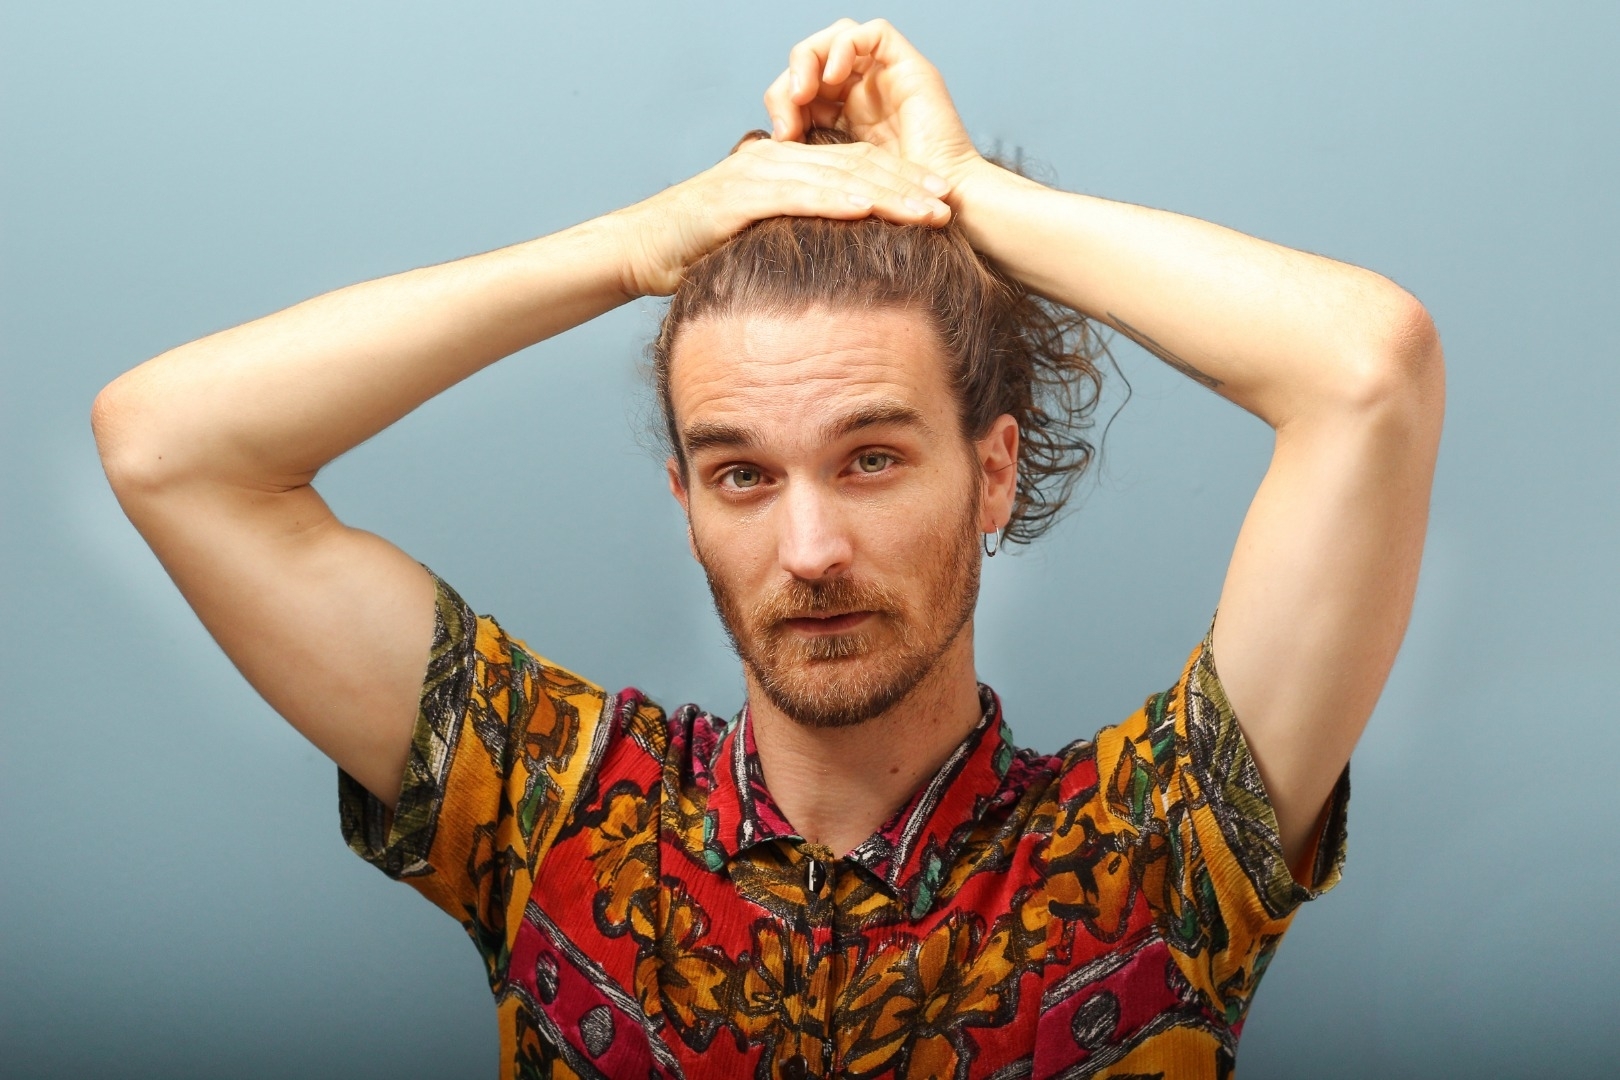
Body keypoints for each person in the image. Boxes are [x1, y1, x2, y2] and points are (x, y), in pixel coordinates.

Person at [91, 18, 1443, 1080]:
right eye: (743, 475)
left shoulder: (1159, 851)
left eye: (871, 459)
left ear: (991, 472)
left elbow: (1367, 371)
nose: (810, 548)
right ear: (686, 501)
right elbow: (165, 443)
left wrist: (959, 193)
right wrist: (629, 248)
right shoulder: (548, 811)